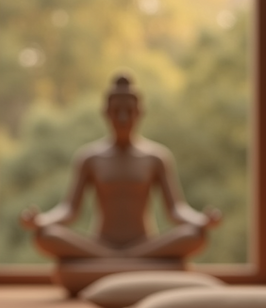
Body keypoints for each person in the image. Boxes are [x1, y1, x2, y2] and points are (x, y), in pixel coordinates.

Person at [20, 73, 221, 260]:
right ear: (106, 113)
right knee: (45, 235)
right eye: (117, 111)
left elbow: (176, 209)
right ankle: (125, 261)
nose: (123, 118)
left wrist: (201, 219)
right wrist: (42, 220)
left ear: (139, 112)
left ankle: (117, 261)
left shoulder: (156, 157)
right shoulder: (89, 157)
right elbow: (69, 209)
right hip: (99, 245)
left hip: (145, 244)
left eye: (129, 111)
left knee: (195, 234)